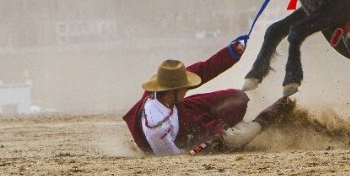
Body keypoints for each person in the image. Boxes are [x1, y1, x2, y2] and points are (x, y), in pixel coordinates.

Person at [124, 39, 293, 155]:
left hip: (189, 114)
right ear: (171, 91)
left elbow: (202, 70)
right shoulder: (156, 128)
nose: (188, 89)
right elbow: (177, 158)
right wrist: (208, 145)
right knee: (236, 137)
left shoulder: (167, 88)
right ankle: (270, 115)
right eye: (185, 88)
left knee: (238, 99)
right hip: (190, 139)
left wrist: (231, 53)